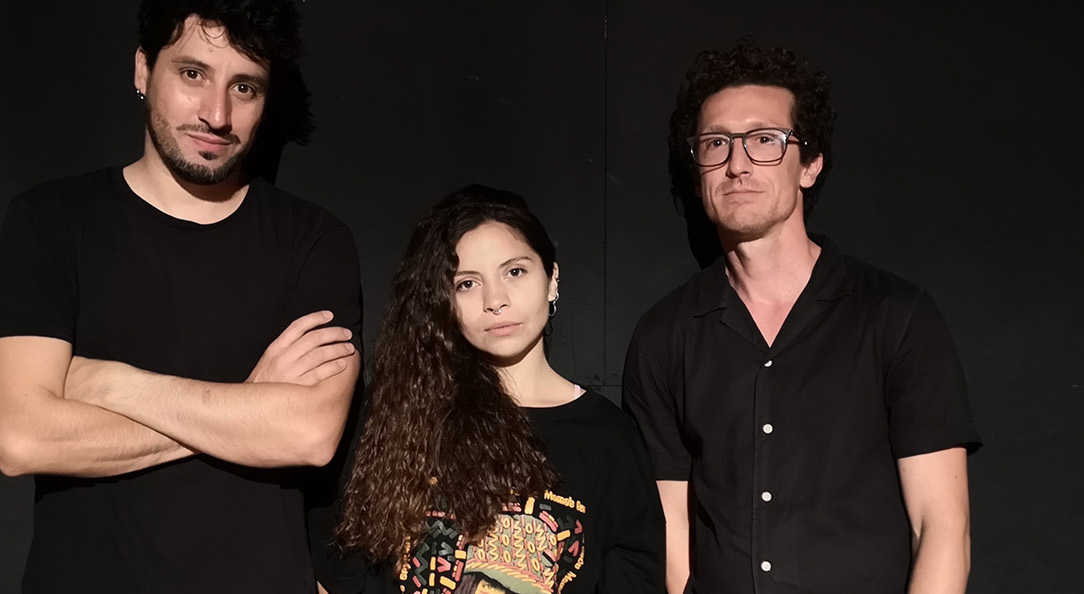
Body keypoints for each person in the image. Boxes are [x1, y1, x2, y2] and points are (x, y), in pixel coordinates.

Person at [0, 1, 362, 592]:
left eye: (244, 87)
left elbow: (308, 434)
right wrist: (250, 405)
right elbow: (21, 437)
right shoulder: (50, 221)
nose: (216, 114)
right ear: (143, 70)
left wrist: (108, 383)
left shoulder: (313, 240)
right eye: (193, 73)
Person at [623, 39, 982, 594]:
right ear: (698, 173)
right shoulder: (664, 336)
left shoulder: (895, 316)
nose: (737, 164)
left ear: (809, 165)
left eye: (765, 140)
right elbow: (669, 524)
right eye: (716, 143)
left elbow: (942, 527)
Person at [322, 185, 664, 594]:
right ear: (444, 300)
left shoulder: (608, 437)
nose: (495, 300)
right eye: (467, 283)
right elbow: (341, 570)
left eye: (514, 272)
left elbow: (635, 575)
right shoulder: (403, 413)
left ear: (552, 279)